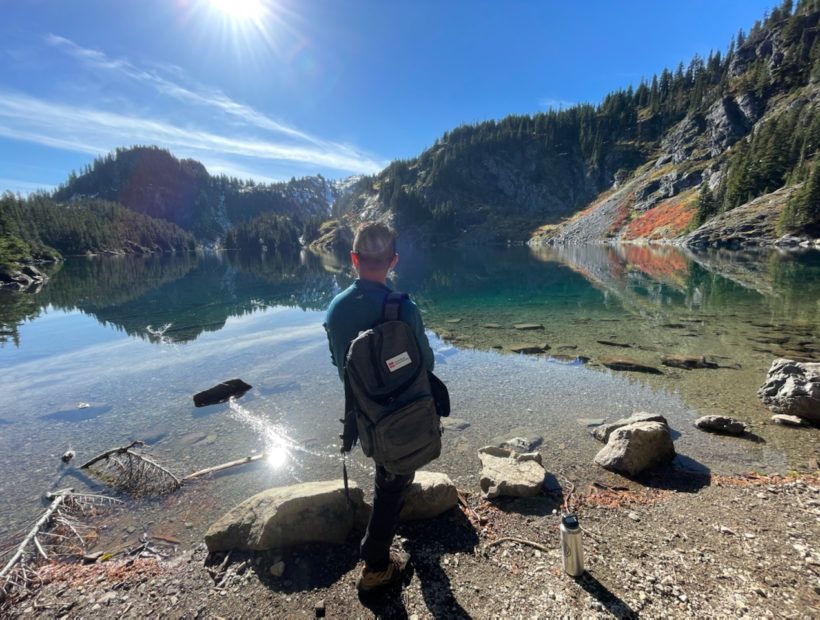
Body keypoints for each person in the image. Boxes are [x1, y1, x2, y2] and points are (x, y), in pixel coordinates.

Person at [324, 221, 435, 592]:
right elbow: (428, 364)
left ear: (353, 259)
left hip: (365, 416)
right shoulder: (405, 308)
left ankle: (389, 513)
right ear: (393, 262)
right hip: (404, 414)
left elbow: (341, 366)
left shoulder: (334, 311)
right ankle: (376, 566)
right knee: (391, 482)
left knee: (387, 472)